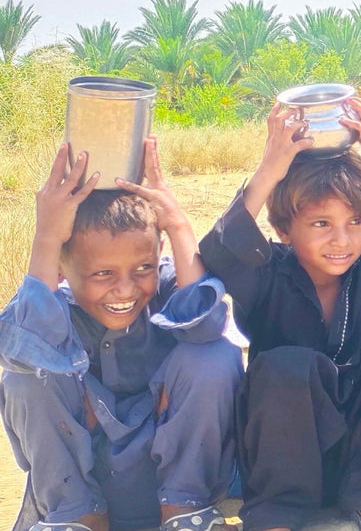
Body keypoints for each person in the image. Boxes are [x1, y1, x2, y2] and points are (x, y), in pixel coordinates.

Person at [198, 97, 361, 531]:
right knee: (286, 364)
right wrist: (271, 167)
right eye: (321, 224)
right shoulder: (266, 273)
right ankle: (277, 514)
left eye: (355, 222)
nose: (342, 240)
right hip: (285, 464)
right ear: (283, 229)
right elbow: (222, 251)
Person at [0, 138, 242, 531]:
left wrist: (177, 224)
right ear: (61, 268)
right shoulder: (52, 312)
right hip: (91, 489)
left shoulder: (167, 288)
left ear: (158, 253)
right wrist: (46, 238)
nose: (126, 289)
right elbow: (25, 352)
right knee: (29, 373)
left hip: (175, 489)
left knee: (214, 354)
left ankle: (183, 514)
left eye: (143, 267)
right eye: (103, 274)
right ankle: (79, 519)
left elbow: (208, 324)